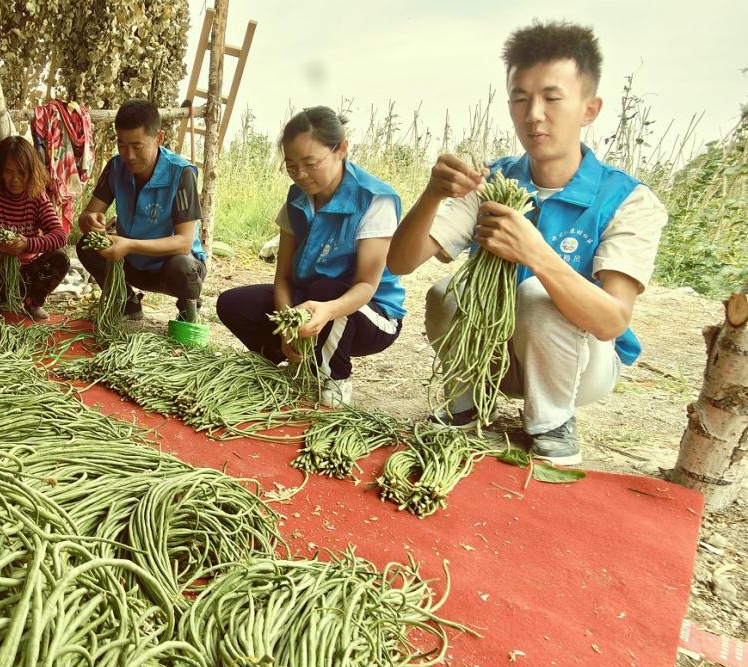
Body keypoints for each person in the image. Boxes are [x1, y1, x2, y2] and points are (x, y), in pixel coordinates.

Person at [387, 21, 668, 465]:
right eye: (520, 98)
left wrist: (535, 253)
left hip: (582, 367)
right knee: (448, 292)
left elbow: (612, 320)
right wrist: (432, 195)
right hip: (495, 360)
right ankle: (466, 402)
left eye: (552, 98)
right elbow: (401, 263)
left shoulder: (627, 200)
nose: (533, 114)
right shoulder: (493, 183)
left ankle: (552, 421)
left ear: (589, 108)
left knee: (536, 294)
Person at [216, 107, 406, 407]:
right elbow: (284, 278)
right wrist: (286, 328)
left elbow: (367, 286)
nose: (301, 174)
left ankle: (336, 380)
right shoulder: (297, 198)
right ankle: (289, 357)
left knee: (325, 289)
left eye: (311, 163)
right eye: (291, 166)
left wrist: (326, 310)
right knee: (233, 304)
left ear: (341, 149)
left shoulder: (374, 199)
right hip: (309, 305)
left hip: (372, 314)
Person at [76, 99, 207, 323]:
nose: (129, 155)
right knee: (87, 246)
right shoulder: (116, 167)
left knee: (182, 266)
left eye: (137, 146)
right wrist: (90, 222)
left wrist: (128, 244)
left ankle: (188, 306)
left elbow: (183, 243)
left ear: (159, 138)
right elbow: (87, 217)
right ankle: (127, 302)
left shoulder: (181, 173)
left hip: (170, 267)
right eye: (122, 145)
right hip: (131, 261)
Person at [0, 136, 70, 320]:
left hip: (27, 278)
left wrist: (28, 244)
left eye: (22, 173)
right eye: (8, 172)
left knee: (60, 257)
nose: (15, 180)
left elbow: (59, 236)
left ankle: (32, 302)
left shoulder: (37, 196)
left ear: (31, 172)